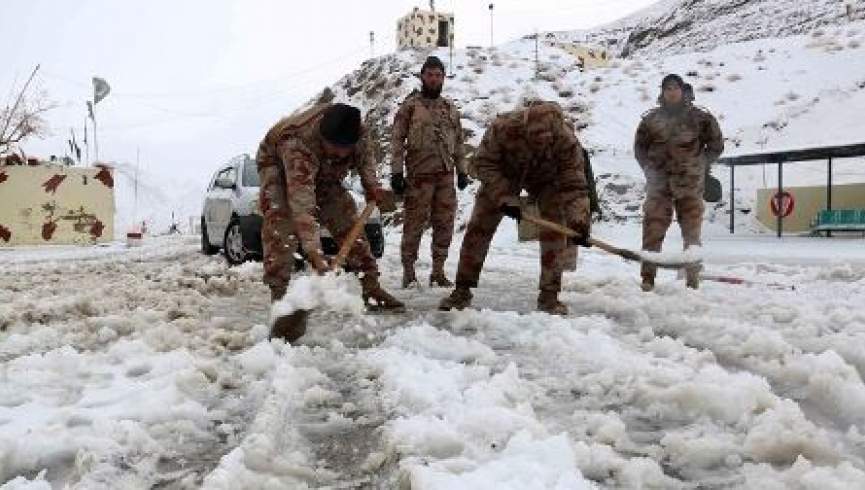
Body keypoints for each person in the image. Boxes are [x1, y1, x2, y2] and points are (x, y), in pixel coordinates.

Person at [256, 103, 404, 342]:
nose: (337, 153)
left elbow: (366, 162)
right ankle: (281, 300)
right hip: (277, 166)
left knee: (348, 223)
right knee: (280, 225)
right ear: (323, 137)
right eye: (332, 147)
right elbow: (302, 203)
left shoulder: (359, 134)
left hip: (325, 175)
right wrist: (314, 252)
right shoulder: (298, 144)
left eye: (342, 149)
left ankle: (371, 288)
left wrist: (372, 188)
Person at [438, 101, 591, 315]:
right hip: (504, 174)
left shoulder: (567, 141)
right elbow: (482, 163)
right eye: (534, 136)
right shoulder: (503, 128)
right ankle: (462, 290)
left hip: (547, 180)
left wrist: (580, 221)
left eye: (544, 137)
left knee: (556, 229)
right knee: (479, 227)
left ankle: (549, 295)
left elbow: (574, 184)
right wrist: (504, 197)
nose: (539, 141)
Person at [634, 74, 724, 291]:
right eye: (667, 88)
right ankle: (648, 280)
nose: (672, 92)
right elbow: (639, 149)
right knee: (652, 232)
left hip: (690, 186)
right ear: (662, 92)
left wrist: (699, 165)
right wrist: (649, 169)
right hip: (659, 187)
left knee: (692, 235)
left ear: (683, 90)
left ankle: (692, 281)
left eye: (675, 88)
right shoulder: (650, 120)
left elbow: (716, 145)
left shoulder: (700, 118)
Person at [390, 56, 470, 288]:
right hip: (419, 176)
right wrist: (396, 173)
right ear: (422, 77)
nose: (434, 79)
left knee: (444, 224)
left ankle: (438, 271)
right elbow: (397, 140)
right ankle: (409, 272)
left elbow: (459, 142)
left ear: (443, 78)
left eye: (438, 75)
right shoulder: (410, 107)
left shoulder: (450, 109)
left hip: (445, 175)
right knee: (414, 224)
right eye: (430, 75)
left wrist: (462, 171)